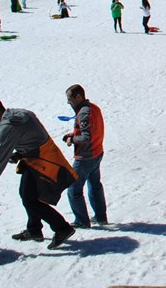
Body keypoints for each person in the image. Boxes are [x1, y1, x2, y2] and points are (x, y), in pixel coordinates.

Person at [0, 97, 77, 249]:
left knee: (30, 200)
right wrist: (21, 152)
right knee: (27, 195)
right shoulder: (22, 114)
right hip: (40, 157)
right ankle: (34, 229)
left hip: (40, 162)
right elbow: (34, 135)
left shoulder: (8, 128)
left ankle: (62, 228)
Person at [63, 85, 108, 228]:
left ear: (78, 97)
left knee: (73, 189)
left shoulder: (83, 113)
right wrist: (74, 135)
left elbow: (86, 136)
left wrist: (72, 140)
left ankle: (82, 221)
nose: (68, 102)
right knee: (95, 185)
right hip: (97, 152)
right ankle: (101, 217)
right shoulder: (93, 108)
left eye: (70, 99)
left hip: (86, 157)